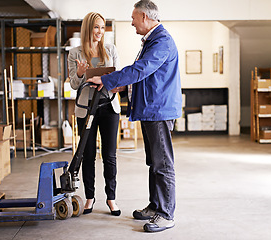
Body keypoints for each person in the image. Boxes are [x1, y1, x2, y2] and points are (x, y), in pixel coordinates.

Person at [87, 0, 182, 232]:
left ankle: (166, 214)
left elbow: (142, 69)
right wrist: (120, 87)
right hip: (151, 110)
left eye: (133, 18)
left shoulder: (162, 41)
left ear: (144, 16)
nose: (131, 22)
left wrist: (108, 80)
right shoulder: (151, 41)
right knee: (154, 163)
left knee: (163, 164)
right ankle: (156, 205)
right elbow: (145, 75)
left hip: (158, 111)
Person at [68, 12, 123, 216]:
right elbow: (74, 84)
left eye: (103, 27)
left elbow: (119, 76)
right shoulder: (75, 53)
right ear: (88, 29)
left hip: (109, 107)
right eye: (96, 27)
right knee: (88, 155)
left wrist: (111, 81)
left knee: (109, 155)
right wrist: (82, 74)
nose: (100, 32)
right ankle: (90, 197)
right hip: (86, 109)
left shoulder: (110, 49)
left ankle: (111, 199)